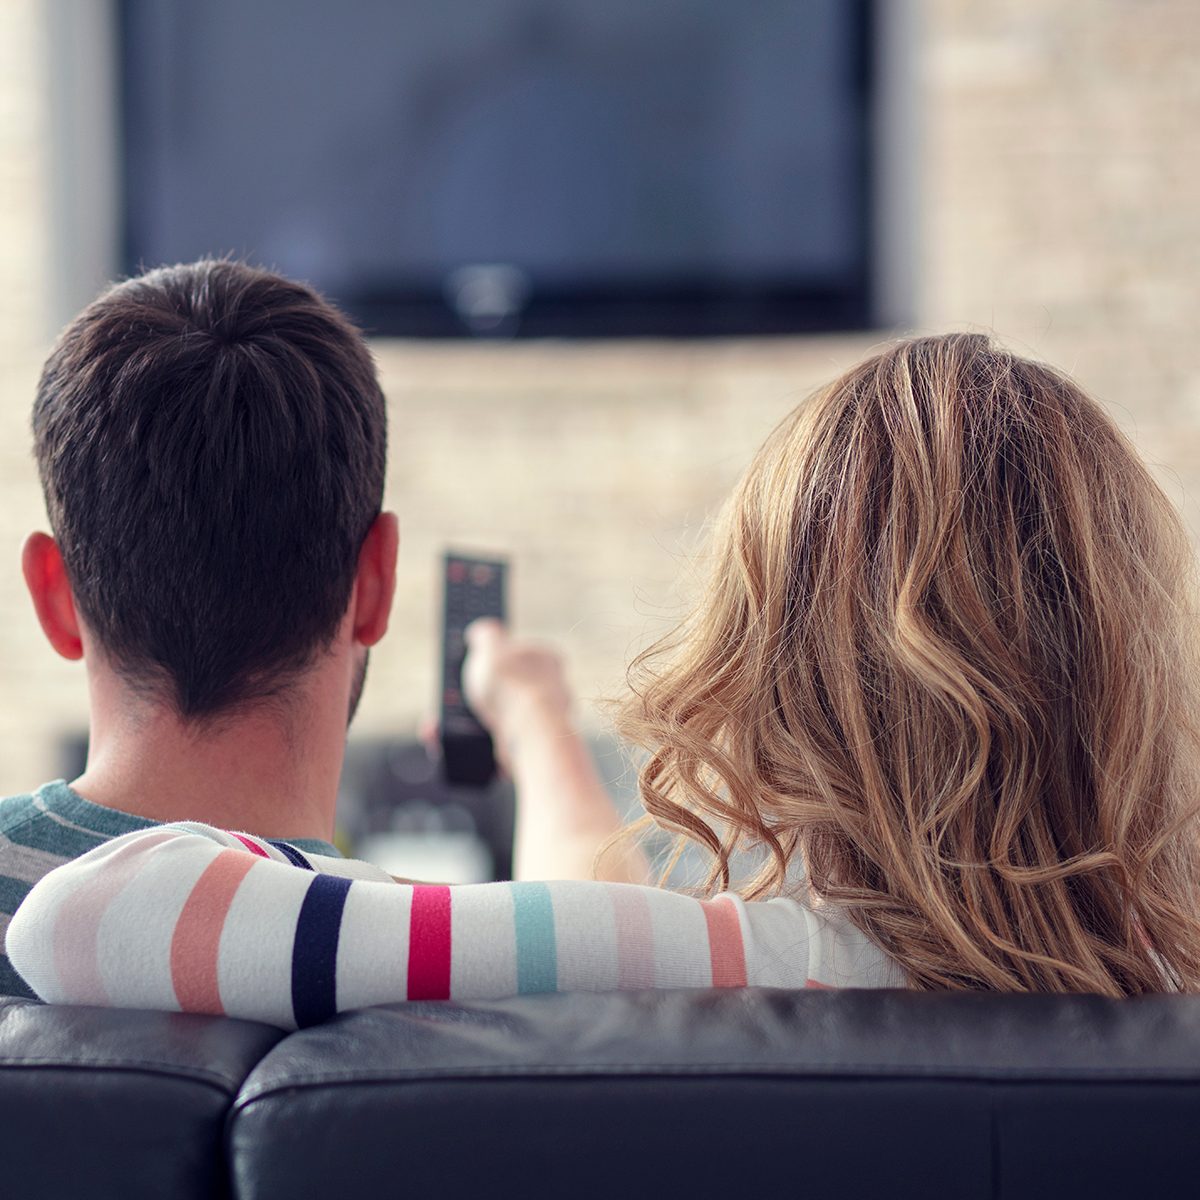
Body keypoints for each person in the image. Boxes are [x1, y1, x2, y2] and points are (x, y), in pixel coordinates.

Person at [12, 332, 1200, 1026]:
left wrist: (534, 743)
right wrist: (534, 735)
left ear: (774, 678)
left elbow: (90, 916)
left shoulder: (749, 966)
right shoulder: (1166, 996)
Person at [0, 259, 631, 999]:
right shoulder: (443, 960)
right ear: (376, 585)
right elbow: (613, 942)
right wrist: (537, 721)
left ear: (52, 594)